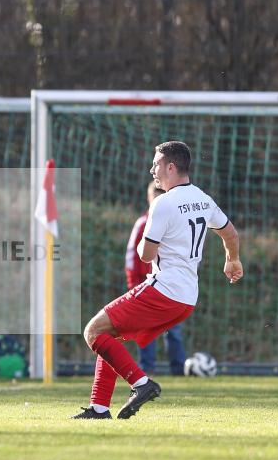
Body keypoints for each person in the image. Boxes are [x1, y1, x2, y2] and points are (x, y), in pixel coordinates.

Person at [73, 141, 243, 420]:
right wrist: (233, 260)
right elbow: (230, 234)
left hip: (164, 289)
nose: (152, 170)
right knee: (108, 334)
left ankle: (141, 383)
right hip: (187, 298)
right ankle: (99, 408)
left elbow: (146, 254)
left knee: (92, 331)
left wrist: (145, 242)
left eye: (156, 164)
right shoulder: (203, 199)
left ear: (171, 167)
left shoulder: (163, 203)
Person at [126, 182, 186, 375]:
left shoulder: (175, 222)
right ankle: (146, 370)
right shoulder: (143, 223)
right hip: (146, 287)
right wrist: (133, 284)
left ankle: (178, 370)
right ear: (149, 198)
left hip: (170, 287)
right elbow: (131, 256)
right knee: (145, 330)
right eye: (156, 198)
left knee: (173, 330)